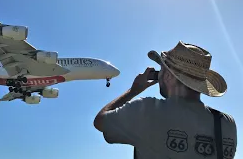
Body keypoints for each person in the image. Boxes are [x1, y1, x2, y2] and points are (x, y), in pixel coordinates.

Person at [93, 41, 237, 159]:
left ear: (168, 77)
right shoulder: (227, 123)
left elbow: (100, 121)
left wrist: (133, 91)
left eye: (161, 70)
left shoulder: (147, 110)